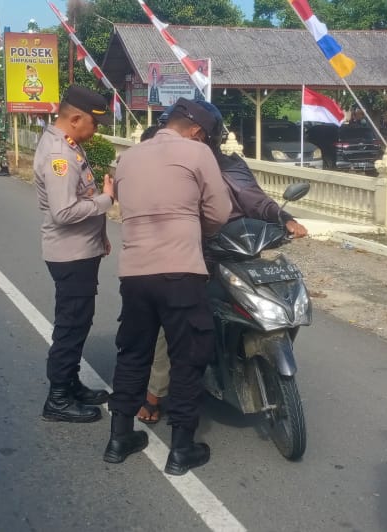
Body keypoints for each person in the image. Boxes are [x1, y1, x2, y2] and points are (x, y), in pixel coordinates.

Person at [136, 99, 309, 425]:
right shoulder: (165, 164)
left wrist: (285, 219)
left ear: (201, 136)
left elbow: (254, 199)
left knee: (280, 294)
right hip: (187, 256)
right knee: (168, 323)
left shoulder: (228, 166)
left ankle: (251, 354)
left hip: (236, 252)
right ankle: (154, 394)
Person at [104, 98, 232, 474]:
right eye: (206, 136)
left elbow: (126, 209)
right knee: (187, 358)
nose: (206, 142)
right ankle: (180, 449)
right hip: (181, 272)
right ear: (196, 131)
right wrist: (197, 233)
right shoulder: (197, 152)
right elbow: (219, 212)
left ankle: (118, 438)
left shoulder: (129, 157)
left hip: (135, 273)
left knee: (132, 355)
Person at [34, 85, 115, 424]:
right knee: (70, 326)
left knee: (79, 323)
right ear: (77, 118)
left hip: (81, 249)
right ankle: (57, 399)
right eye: (95, 125)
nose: (97, 131)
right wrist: (108, 200)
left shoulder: (70, 146)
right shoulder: (59, 155)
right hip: (70, 254)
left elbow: (82, 196)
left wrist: (101, 232)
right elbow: (64, 212)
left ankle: (70, 384)